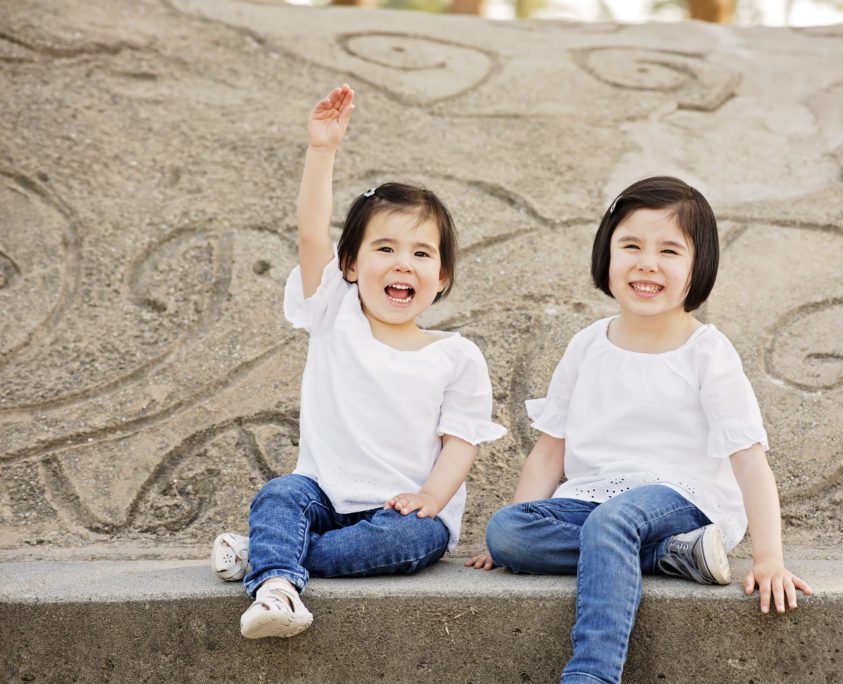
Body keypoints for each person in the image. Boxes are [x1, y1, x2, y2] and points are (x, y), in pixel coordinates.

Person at [466, 176, 812, 683]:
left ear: (698, 268)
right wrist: (510, 533)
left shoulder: (706, 352)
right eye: (631, 245)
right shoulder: (587, 345)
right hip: (593, 499)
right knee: (506, 531)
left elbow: (748, 457)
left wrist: (768, 558)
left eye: (669, 250)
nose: (647, 262)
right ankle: (672, 557)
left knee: (612, 522)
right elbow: (549, 451)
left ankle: (592, 674)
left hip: (682, 497)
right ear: (607, 254)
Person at [212, 85, 506, 639]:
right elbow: (309, 229)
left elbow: (460, 443)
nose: (403, 264)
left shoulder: (458, 356)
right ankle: (277, 589)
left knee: (405, 540)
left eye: (422, 254)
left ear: (441, 277)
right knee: (279, 495)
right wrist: (322, 151)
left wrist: (430, 499)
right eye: (385, 248)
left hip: (406, 515)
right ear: (349, 264)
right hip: (323, 493)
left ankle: (267, 555)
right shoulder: (334, 313)